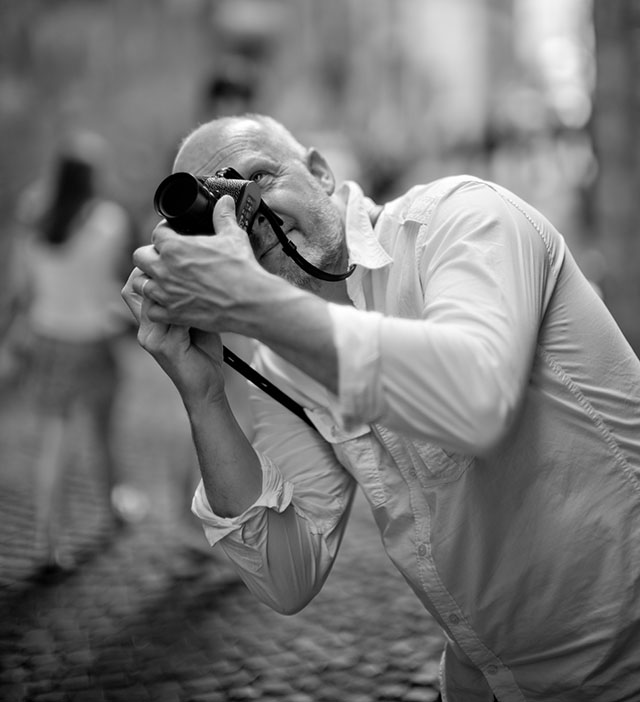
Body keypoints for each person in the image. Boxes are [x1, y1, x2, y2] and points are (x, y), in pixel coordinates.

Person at [122, 113, 640, 702]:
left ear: (319, 171)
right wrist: (204, 395)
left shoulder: (464, 219)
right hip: (489, 680)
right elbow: (285, 576)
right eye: (211, 211)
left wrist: (252, 301)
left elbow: (475, 401)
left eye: (258, 178)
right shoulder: (284, 359)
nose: (243, 214)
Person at [7, 131, 144, 571]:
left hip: (47, 339)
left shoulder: (33, 214)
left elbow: (21, 288)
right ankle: (112, 504)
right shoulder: (107, 221)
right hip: (92, 341)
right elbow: (111, 283)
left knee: (54, 442)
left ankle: (48, 542)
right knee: (104, 432)